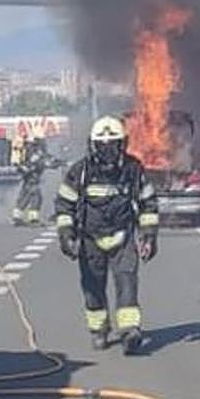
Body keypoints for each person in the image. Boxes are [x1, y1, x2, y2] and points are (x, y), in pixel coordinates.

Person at [54, 115, 160, 354]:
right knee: (93, 287)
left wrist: (149, 235)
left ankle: (129, 330)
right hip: (90, 239)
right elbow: (64, 204)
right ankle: (99, 330)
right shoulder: (80, 171)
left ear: (123, 144)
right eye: (102, 146)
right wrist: (66, 234)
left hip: (123, 237)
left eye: (113, 145)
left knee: (127, 283)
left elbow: (148, 203)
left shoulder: (133, 169)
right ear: (93, 145)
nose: (108, 151)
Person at [12, 137, 51, 226]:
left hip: (28, 178)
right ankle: (33, 219)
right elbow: (46, 163)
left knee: (23, 197)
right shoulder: (37, 154)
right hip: (32, 179)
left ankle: (17, 217)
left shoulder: (28, 152)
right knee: (36, 198)